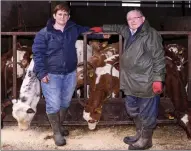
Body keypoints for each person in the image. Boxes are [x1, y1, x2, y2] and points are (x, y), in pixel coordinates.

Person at [32, 3, 106, 146]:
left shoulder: (72, 28)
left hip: (70, 73)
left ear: (69, 16)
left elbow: (88, 31)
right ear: (54, 16)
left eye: (65, 15)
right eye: (60, 14)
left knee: (65, 101)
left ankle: (59, 126)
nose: (62, 17)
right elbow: (38, 54)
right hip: (51, 74)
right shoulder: (44, 33)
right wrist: (42, 73)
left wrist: (103, 33)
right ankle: (56, 132)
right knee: (53, 104)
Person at [90, 9, 165, 150]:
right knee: (132, 109)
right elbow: (118, 27)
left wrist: (158, 79)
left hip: (146, 80)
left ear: (143, 19)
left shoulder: (151, 34)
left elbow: (159, 58)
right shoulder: (129, 31)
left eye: (135, 18)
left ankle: (146, 140)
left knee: (147, 112)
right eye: (129, 19)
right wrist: (102, 28)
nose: (132, 21)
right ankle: (139, 133)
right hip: (130, 80)